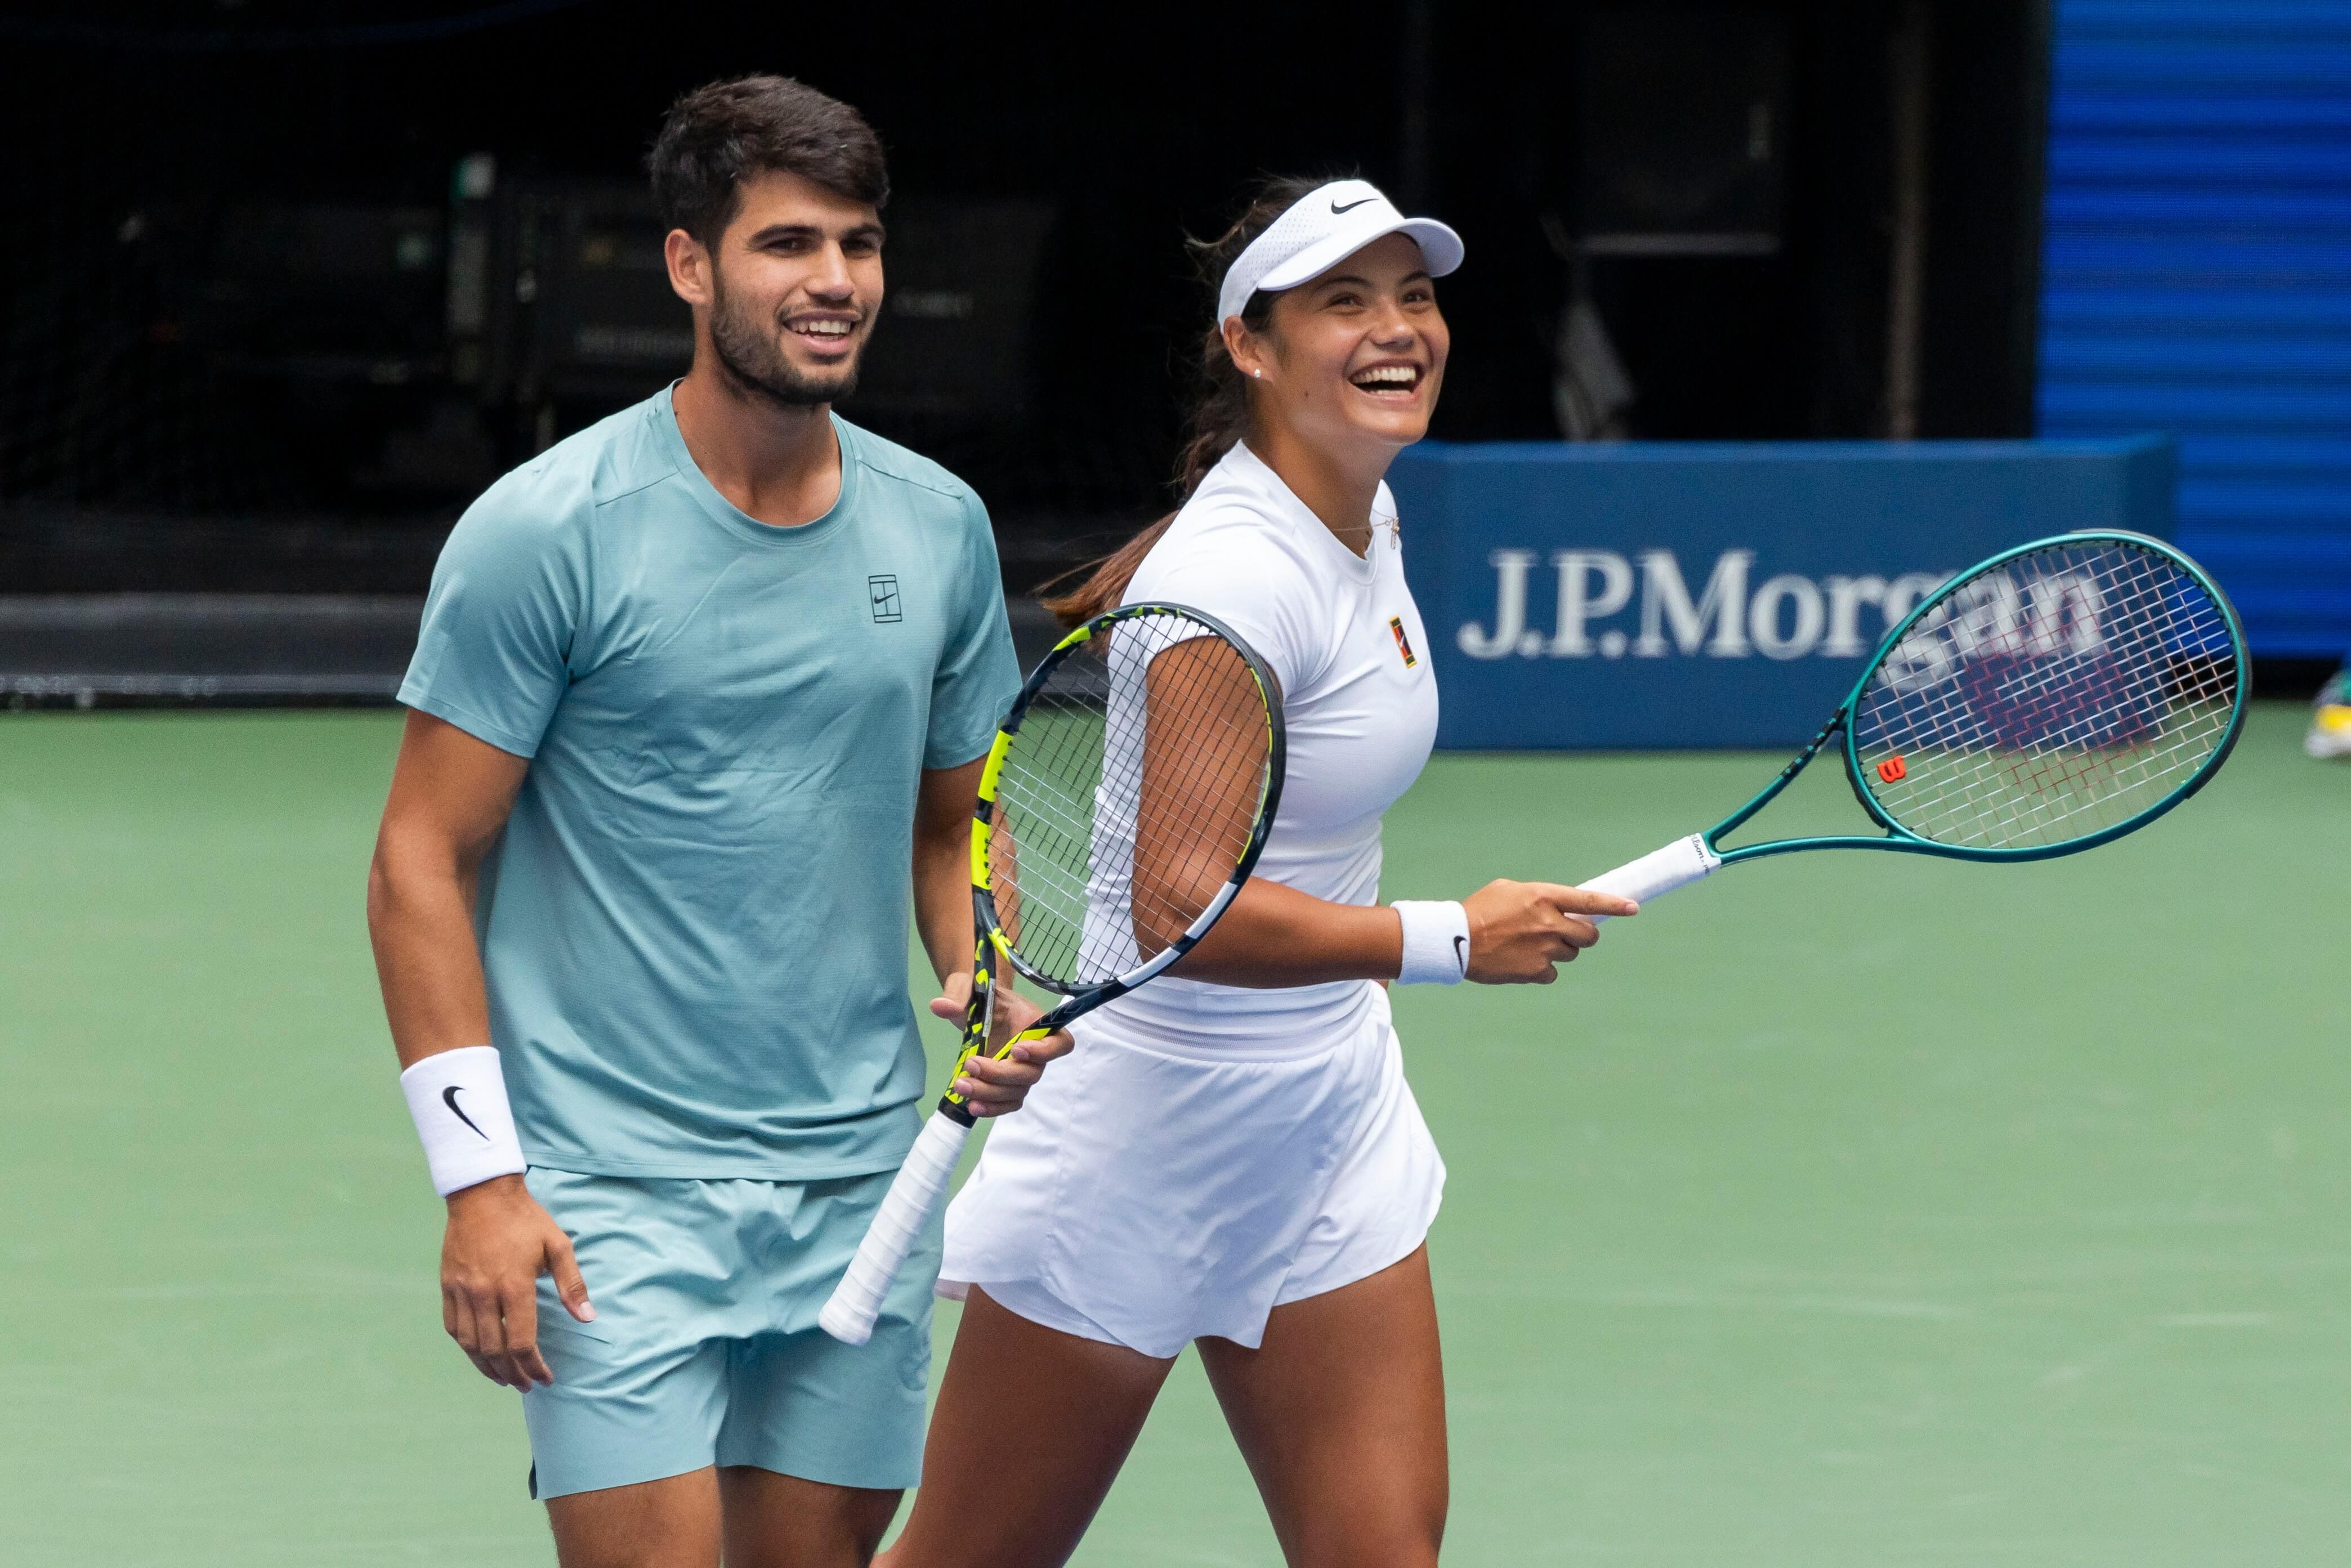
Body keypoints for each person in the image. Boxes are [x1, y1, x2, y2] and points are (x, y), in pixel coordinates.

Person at [880, 176, 1639, 1568]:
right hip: (1145, 1129)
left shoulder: (1358, 505)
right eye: (1343, 301)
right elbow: (1180, 909)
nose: (1396, 327)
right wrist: (1451, 938)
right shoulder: (1239, 581)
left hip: (1324, 1108)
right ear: (1252, 342)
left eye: (1413, 294)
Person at [364, 75, 1069, 1568]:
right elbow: (422, 861)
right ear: (690, 266)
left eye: (861, 245)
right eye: (789, 245)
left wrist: (980, 958)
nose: (836, 284)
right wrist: (480, 1180)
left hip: (862, 1180)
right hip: (607, 1187)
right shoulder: (547, 532)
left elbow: (953, 832)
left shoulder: (939, 528)